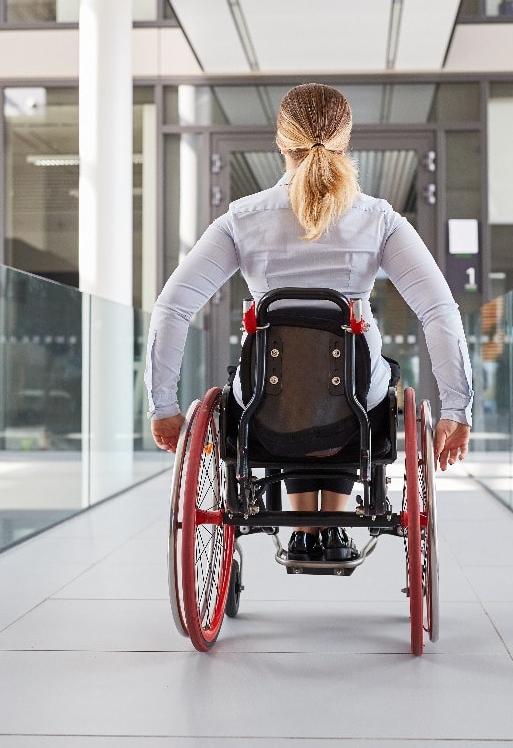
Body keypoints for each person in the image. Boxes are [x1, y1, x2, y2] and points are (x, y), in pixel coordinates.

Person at [146, 83, 472, 561]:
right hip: (356, 410)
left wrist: (163, 405)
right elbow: (439, 311)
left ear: (281, 143)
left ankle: (304, 527)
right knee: (357, 377)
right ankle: (330, 528)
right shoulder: (379, 220)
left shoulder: (242, 219)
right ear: (346, 142)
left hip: (266, 406)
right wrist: (456, 409)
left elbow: (172, 308)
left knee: (287, 382)